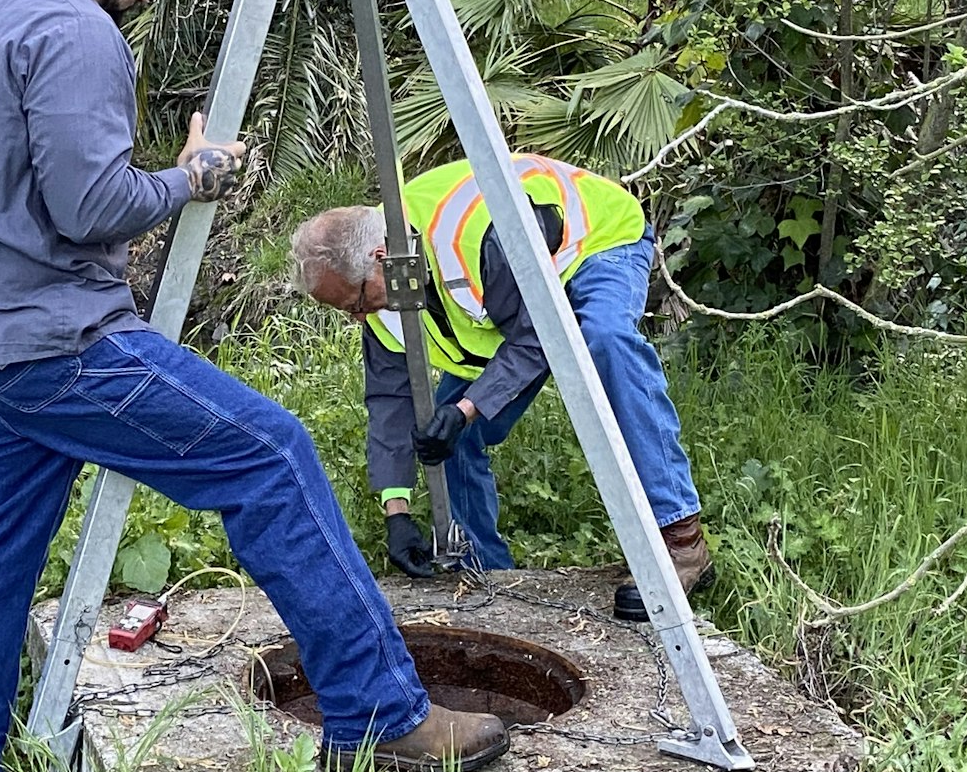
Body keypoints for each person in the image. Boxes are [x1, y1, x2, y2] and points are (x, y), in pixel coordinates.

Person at [0, 0, 508, 772]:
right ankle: (380, 713)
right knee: (270, 454)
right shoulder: (76, 31)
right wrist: (188, 178)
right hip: (52, 340)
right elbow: (91, 204)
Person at [290, 155, 712, 606]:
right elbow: (390, 400)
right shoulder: (380, 280)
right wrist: (397, 511)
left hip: (592, 242)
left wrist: (467, 407)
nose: (356, 317)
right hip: (514, 296)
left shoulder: (475, 237)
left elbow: (540, 336)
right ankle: (485, 574)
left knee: (605, 341)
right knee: (447, 433)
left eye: (354, 303)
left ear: (380, 261)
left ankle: (682, 542)